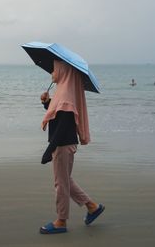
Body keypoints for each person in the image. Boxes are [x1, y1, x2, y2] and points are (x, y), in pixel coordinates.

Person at [39, 60, 105, 234]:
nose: (52, 72)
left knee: (60, 183)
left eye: (54, 69)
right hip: (65, 143)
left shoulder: (66, 95)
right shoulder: (62, 92)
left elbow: (62, 127)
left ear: (63, 71)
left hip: (62, 144)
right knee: (65, 179)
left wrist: (48, 150)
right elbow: (59, 118)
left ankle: (61, 221)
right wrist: (47, 104)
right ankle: (92, 207)